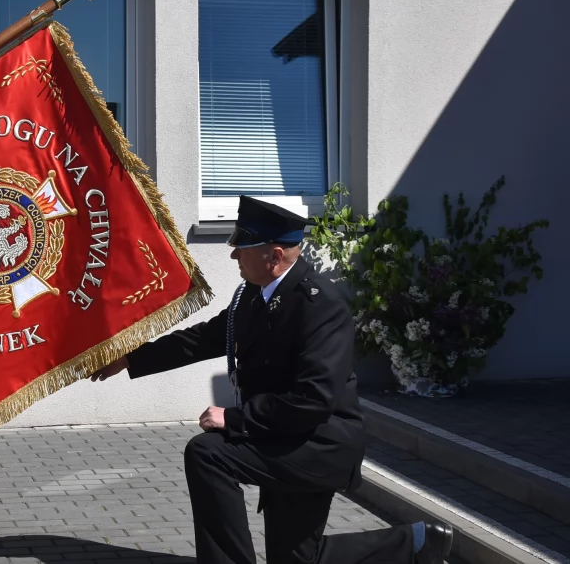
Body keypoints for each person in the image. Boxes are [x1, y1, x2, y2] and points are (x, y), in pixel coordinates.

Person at [90, 196, 453, 564]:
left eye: (241, 249)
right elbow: (204, 339)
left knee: (207, 453)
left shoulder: (320, 306)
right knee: (296, 559)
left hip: (317, 445)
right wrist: (130, 357)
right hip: (282, 436)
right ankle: (417, 543)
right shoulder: (252, 296)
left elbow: (313, 399)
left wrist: (234, 420)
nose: (234, 256)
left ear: (275, 256)